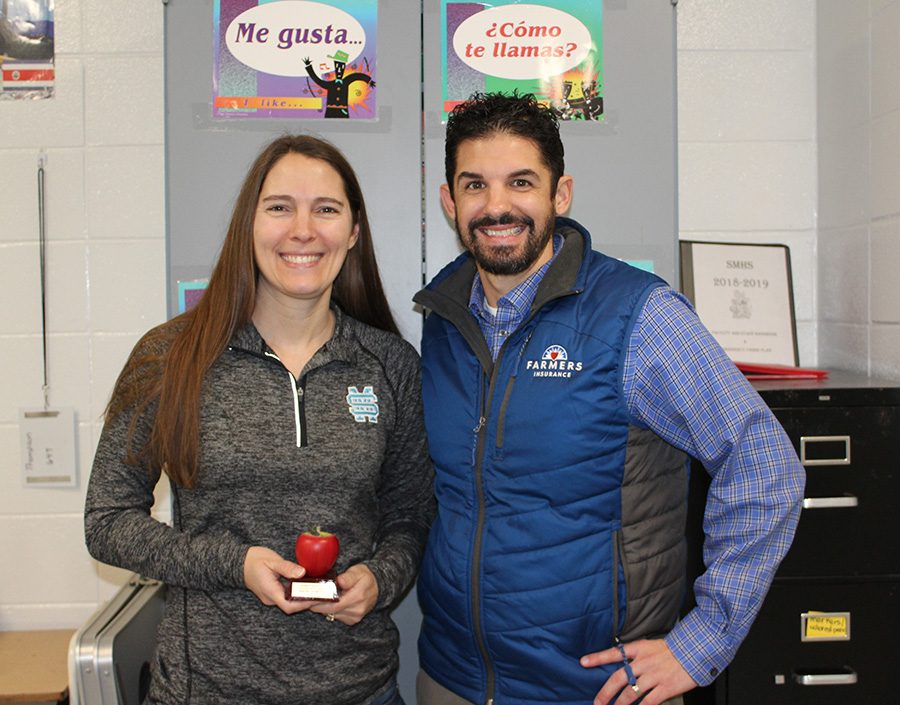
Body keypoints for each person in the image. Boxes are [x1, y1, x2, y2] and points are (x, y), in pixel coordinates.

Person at [413, 92, 804, 705]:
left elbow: (764, 464)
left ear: (559, 194)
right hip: (453, 678)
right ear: (449, 202)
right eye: (474, 185)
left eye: (521, 182)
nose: (497, 206)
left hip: (597, 688)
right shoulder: (441, 321)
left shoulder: (638, 316)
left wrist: (700, 643)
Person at [84, 135, 435, 705]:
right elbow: (106, 519)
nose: (303, 230)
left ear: (353, 232)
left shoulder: (390, 364)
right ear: (249, 225)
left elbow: (411, 513)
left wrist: (381, 577)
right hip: (206, 691)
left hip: (359, 689)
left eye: (326, 209)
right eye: (279, 207)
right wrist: (233, 563)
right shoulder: (171, 356)